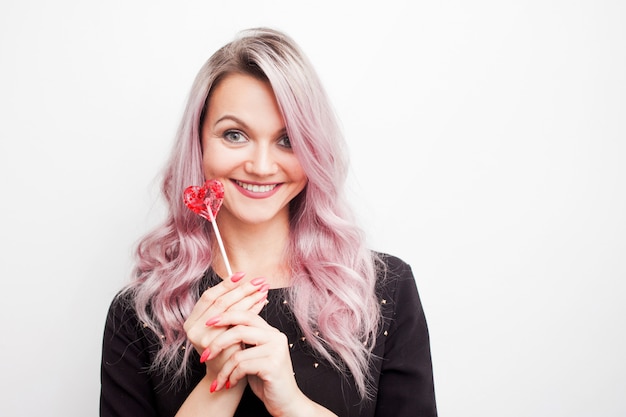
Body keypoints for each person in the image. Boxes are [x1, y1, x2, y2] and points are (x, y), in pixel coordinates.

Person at [100, 27, 437, 417]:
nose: (261, 167)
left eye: (287, 140)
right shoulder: (141, 312)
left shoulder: (383, 291)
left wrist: (290, 402)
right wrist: (219, 383)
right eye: (234, 134)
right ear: (199, 142)